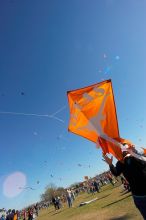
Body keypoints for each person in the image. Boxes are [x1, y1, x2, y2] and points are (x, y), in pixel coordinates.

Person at [103, 144, 146, 219]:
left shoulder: (136, 157)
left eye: (126, 148)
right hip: (138, 195)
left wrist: (135, 153)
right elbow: (116, 173)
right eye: (122, 150)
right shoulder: (121, 162)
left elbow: (143, 164)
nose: (125, 151)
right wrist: (110, 164)